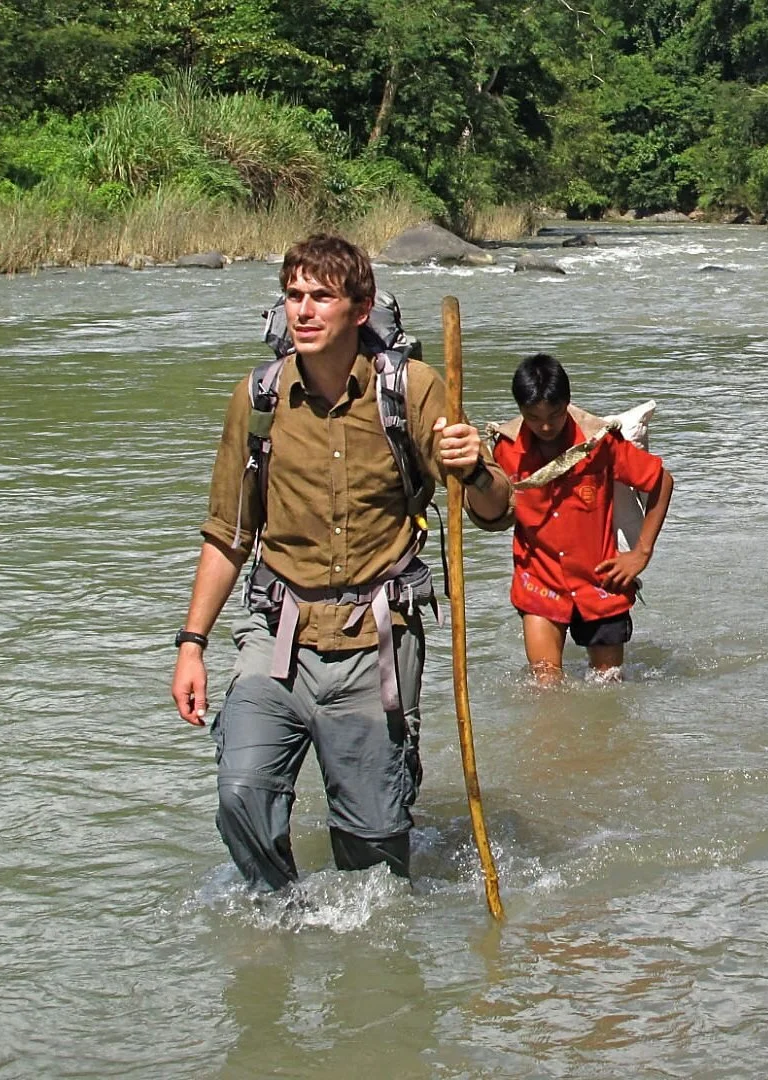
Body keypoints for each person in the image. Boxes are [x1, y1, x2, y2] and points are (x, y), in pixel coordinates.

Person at [169, 234, 515, 891]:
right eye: (293, 296)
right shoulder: (258, 400)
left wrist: (475, 467)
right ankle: (281, 916)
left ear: (358, 310)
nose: (302, 310)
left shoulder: (410, 390)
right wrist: (191, 645)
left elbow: (495, 511)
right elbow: (227, 534)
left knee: (374, 855)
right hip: (278, 635)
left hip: (374, 641)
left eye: (320, 297)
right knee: (242, 793)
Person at [490, 353, 675, 685]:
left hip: (601, 583)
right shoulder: (505, 450)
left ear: (568, 405)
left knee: (608, 688)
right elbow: (487, 509)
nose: (545, 427)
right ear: (520, 411)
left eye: (555, 416)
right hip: (539, 581)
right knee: (544, 689)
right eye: (533, 417)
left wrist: (641, 554)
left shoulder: (599, 444)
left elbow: (661, 481)